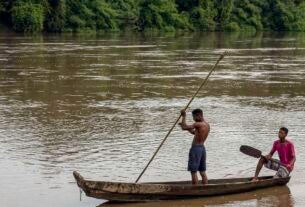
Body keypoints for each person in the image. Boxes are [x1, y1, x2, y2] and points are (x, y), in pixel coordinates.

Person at [179, 108, 210, 185]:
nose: (193, 119)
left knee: (193, 171)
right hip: (202, 148)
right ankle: (206, 188)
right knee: (202, 171)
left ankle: (195, 189)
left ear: (199, 115)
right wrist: (185, 127)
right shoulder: (207, 124)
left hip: (196, 149)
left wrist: (183, 116)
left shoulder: (198, 124)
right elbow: (194, 133)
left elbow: (184, 127)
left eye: (194, 117)